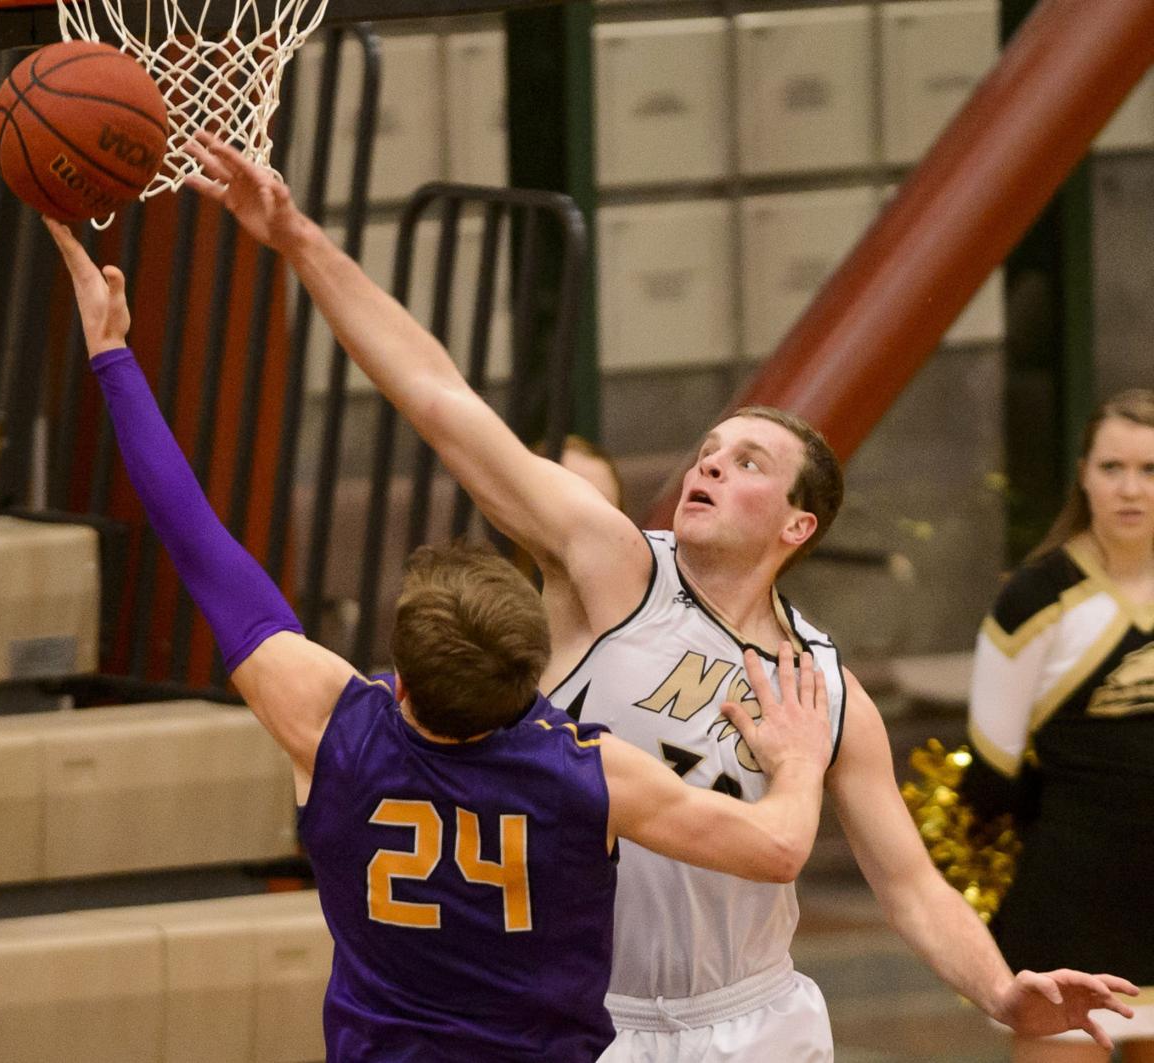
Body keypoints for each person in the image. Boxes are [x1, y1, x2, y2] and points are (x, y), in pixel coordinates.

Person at [182, 136, 1138, 1059]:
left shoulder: (823, 691)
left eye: (747, 461)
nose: (710, 466)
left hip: (756, 1011)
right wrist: (301, 242)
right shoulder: (614, 570)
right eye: (708, 452)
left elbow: (910, 886)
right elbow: (441, 400)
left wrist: (1000, 987)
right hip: (595, 1017)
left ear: (797, 525)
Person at [45, 216, 838, 1062]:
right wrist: (793, 763)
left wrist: (114, 357)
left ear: (400, 678)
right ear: (537, 675)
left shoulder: (334, 728)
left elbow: (195, 536)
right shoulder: (588, 771)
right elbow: (779, 846)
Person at [961, 389, 1154, 1063]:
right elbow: (990, 771)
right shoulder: (1036, 597)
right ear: (1083, 473)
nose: (1130, 489)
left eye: (1150, 470)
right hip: (1071, 898)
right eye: (1112, 467)